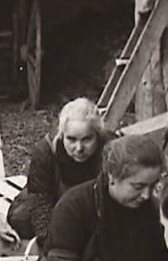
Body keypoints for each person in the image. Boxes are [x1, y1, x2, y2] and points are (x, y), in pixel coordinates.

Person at [22, 133, 168, 261]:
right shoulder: (75, 205)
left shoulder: (149, 209)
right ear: (112, 176)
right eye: (138, 187)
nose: (146, 195)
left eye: (152, 186)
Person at [7, 97, 108, 245]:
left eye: (87, 140)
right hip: (54, 201)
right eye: (71, 140)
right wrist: (53, 244)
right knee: (20, 217)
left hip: (94, 205)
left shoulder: (110, 149)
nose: (79, 148)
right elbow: (41, 205)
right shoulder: (45, 151)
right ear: (62, 136)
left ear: (97, 136)